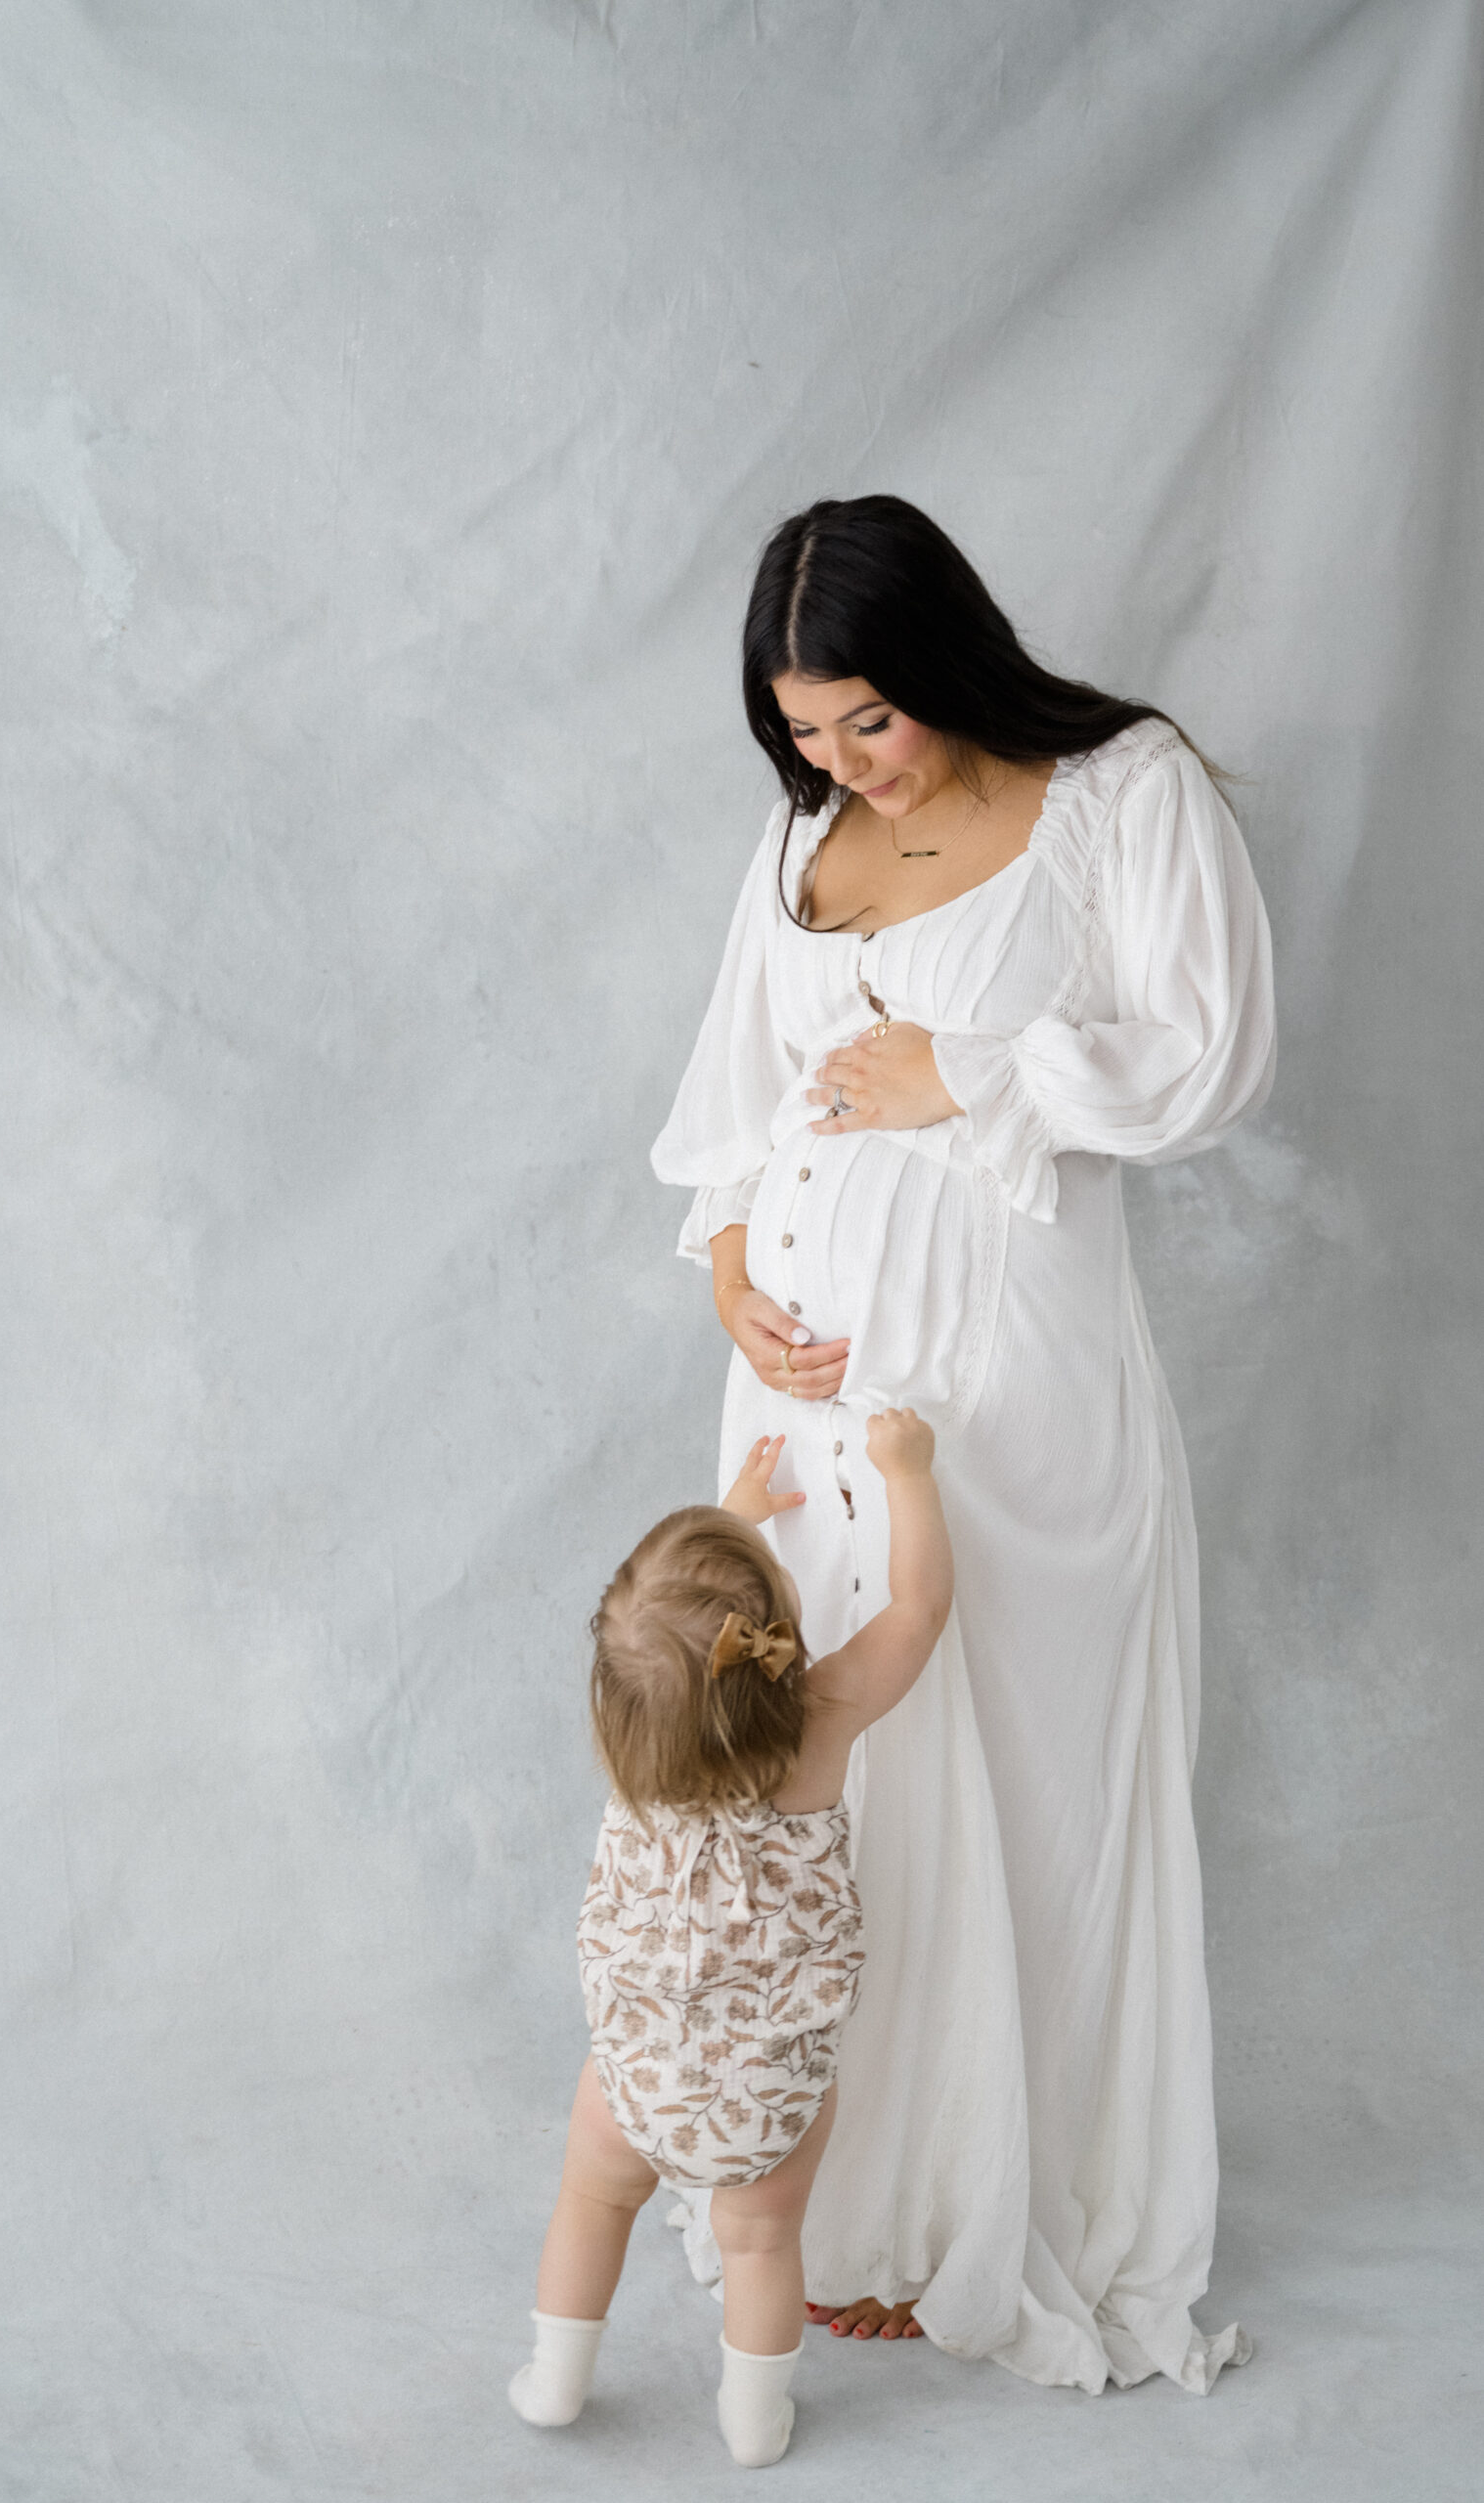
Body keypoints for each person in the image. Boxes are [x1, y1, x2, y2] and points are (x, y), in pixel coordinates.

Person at [650, 494, 1276, 2393]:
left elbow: (1210, 1050)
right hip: (802, 1405)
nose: (834, 764)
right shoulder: (796, 842)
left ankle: (1008, 2214)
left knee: (1018, 1774)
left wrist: (968, 1069)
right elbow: (728, 1108)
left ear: (937, 659)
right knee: (825, 1790)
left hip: (1010, 1396)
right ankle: (849, 2216)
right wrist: (734, 1267)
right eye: (802, 733)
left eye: (864, 720)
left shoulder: (1120, 791)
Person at [509, 1414, 953, 2467]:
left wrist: (733, 1521)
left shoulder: (638, 1756)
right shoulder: (822, 1722)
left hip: (636, 2078)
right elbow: (923, 1608)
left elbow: (680, 1651)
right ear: (776, 1636)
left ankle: (554, 2383)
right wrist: (907, 1474)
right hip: (770, 2091)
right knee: (760, 2242)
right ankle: (755, 2426)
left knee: (590, 2199)